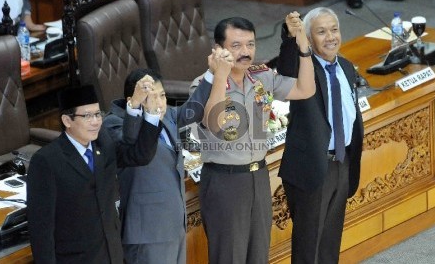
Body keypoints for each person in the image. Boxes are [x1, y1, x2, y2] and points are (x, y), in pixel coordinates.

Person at [190, 15, 316, 264]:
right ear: (218, 49)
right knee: (229, 257)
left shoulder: (261, 77)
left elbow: (306, 89)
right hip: (224, 181)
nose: (245, 52)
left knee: (258, 255)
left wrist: (303, 44)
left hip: (258, 176)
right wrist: (219, 76)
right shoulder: (202, 86)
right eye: (236, 45)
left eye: (250, 44)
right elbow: (215, 124)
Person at [27, 83, 160, 263]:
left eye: (98, 114)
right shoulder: (46, 161)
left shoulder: (104, 145)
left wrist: (151, 115)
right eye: (87, 116)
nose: (96, 121)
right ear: (67, 121)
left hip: (111, 256)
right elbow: (41, 231)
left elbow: (140, 155)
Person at [103, 66, 222, 264]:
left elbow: (192, 111)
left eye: (162, 96)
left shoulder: (167, 115)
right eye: (152, 98)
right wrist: (136, 109)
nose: (159, 104)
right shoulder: (114, 123)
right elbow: (131, 143)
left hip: (174, 223)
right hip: (147, 233)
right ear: (135, 99)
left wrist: (211, 73)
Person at [276, 7, 364, 263]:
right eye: (321, 32)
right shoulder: (304, 69)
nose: (330, 37)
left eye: (334, 30)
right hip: (312, 169)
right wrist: (291, 38)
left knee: (329, 244)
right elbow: (286, 69)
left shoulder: (346, 67)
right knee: (308, 247)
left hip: (342, 164)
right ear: (309, 39)